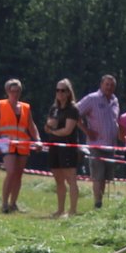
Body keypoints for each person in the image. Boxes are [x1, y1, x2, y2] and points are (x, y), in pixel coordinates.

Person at [0, 79, 37, 213]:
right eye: (13, 91)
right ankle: (4, 203)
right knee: (10, 172)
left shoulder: (26, 107)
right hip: (4, 141)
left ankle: (13, 203)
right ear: (7, 91)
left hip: (22, 143)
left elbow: (31, 126)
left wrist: (37, 139)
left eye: (18, 91)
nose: (15, 94)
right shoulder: (0, 105)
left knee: (18, 174)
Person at [76, 74, 119, 208]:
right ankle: (97, 203)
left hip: (110, 145)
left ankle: (100, 203)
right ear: (101, 85)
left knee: (105, 177)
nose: (109, 87)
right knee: (98, 176)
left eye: (112, 85)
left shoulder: (114, 100)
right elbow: (75, 113)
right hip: (96, 145)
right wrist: (86, 130)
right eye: (107, 84)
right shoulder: (92, 98)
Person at [43, 78, 83, 217]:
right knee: (58, 180)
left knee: (71, 179)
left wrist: (52, 131)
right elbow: (48, 125)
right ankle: (60, 210)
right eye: (57, 90)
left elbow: (67, 130)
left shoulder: (73, 109)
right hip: (54, 146)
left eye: (63, 90)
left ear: (68, 92)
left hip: (68, 148)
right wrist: (49, 127)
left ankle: (72, 211)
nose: (59, 93)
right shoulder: (54, 108)